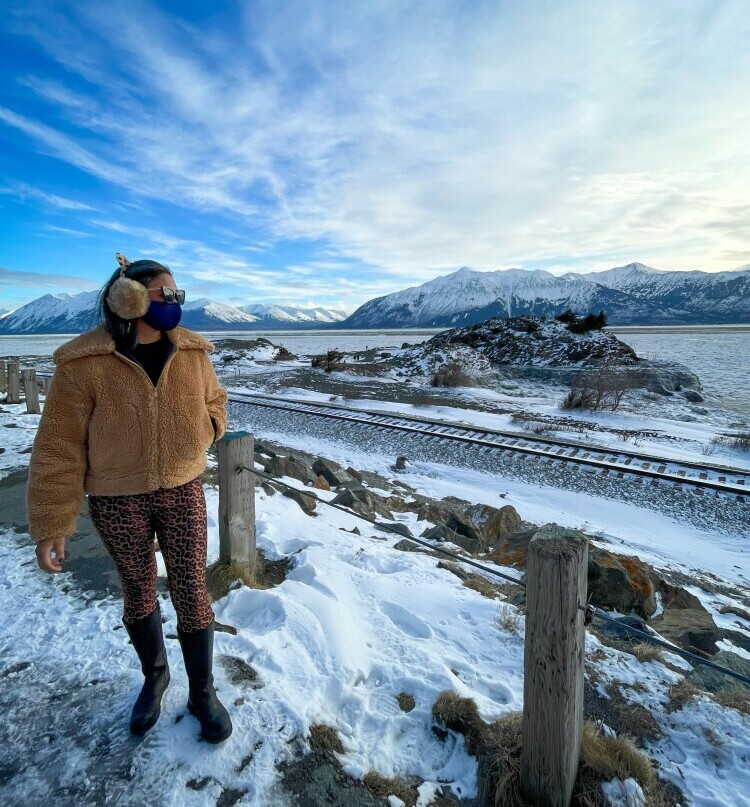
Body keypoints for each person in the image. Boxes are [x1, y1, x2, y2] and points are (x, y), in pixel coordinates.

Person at [26, 253, 232, 743]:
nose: (176, 302)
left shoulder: (193, 354)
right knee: (138, 593)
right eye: (167, 293)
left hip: (182, 488)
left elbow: (217, 401)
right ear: (130, 298)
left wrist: (209, 427)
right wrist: (53, 521)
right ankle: (155, 677)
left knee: (192, 594)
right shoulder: (84, 363)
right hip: (118, 499)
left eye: (177, 293)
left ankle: (202, 693)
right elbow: (58, 446)